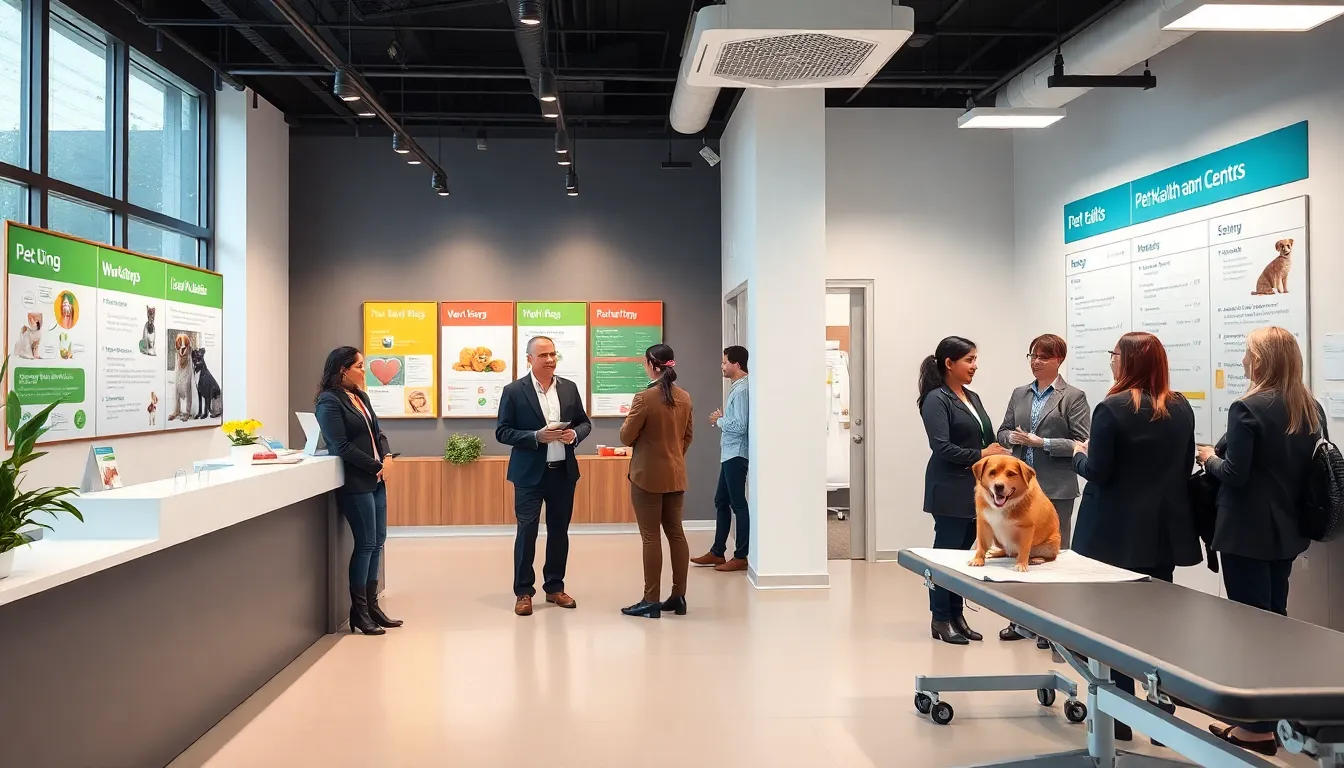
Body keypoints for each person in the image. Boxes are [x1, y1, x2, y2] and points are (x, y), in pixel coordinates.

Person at [1197, 326, 1324, 757]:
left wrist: (1208, 458)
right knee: (1276, 620)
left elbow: (1236, 474)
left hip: (1245, 532)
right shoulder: (1311, 408)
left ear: (1261, 360)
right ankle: (1273, 713)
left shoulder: (1247, 406)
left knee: (1250, 627)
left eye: (1248, 353)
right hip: (1288, 531)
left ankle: (1256, 729)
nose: (1243, 361)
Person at [1072, 331, 1200, 742]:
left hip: (1112, 535)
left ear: (1127, 362)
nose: (1111, 361)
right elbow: (1182, 469)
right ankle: (1161, 716)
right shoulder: (1180, 408)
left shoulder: (1111, 408)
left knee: (1112, 628)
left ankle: (1120, 719)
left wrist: (1079, 453)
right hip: (1162, 533)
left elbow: (1100, 472)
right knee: (1157, 626)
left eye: (1115, 355)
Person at [995, 334, 1091, 646]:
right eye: (1032, 355)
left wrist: (1041, 442)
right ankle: (1020, 620)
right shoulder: (1020, 393)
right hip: (1019, 491)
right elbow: (1003, 430)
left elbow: (1083, 442)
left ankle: (1052, 627)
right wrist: (1012, 438)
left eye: (1043, 357)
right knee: (1017, 552)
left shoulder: (1072, 397)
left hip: (1056, 488)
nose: (1036, 362)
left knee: (1052, 555)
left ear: (1058, 360)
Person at [918, 336, 1010, 645]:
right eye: (969, 360)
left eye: (975, 359)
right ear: (949, 363)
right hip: (949, 486)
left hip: (976, 488)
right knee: (946, 555)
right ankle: (940, 617)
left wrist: (994, 450)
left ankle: (957, 615)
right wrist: (982, 454)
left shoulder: (971, 396)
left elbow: (985, 435)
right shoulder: (936, 398)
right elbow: (942, 447)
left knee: (965, 556)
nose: (975, 365)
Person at [496, 336, 592, 616]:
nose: (550, 360)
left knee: (559, 532)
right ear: (529, 359)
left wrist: (575, 434)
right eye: (543, 356)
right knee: (527, 532)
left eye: (553, 355)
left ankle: (555, 588)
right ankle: (524, 592)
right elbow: (502, 432)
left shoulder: (569, 388)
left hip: (563, 473)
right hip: (529, 476)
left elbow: (584, 422)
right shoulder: (514, 391)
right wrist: (535, 436)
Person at [314, 346, 402, 636]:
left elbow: (379, 433)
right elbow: (339, 445)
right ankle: (360, 612)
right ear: (343, 369)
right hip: (357, 481)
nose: (365, 371)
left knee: (378, 542)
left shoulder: (361, 397)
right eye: (360, 366)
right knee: (365, 544)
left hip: (376, 480)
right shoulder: (329, 401)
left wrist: (387, 458)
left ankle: (373, 606)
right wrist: (376, 466)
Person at [618, 344, 694, 618]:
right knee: (676, 533)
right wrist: (672, 455)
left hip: (646, 477)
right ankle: (679, 596)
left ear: (652, 364)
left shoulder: (644, 398)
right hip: (676, 474)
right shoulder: (684, 397)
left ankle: (651, 600)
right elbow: (687, 437)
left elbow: (626, 437)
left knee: (650, 537)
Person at [692, 345, 750, 572]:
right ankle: (717, 552)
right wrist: (724, 419)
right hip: (728, 454)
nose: (722, 367)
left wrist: (720, 420)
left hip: (736, 454)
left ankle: (741, 555)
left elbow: (740, 426)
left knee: (738, 504)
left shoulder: (743, 390)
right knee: (721, 501)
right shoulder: (737, 388)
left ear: (736, 364)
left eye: (724, 363)